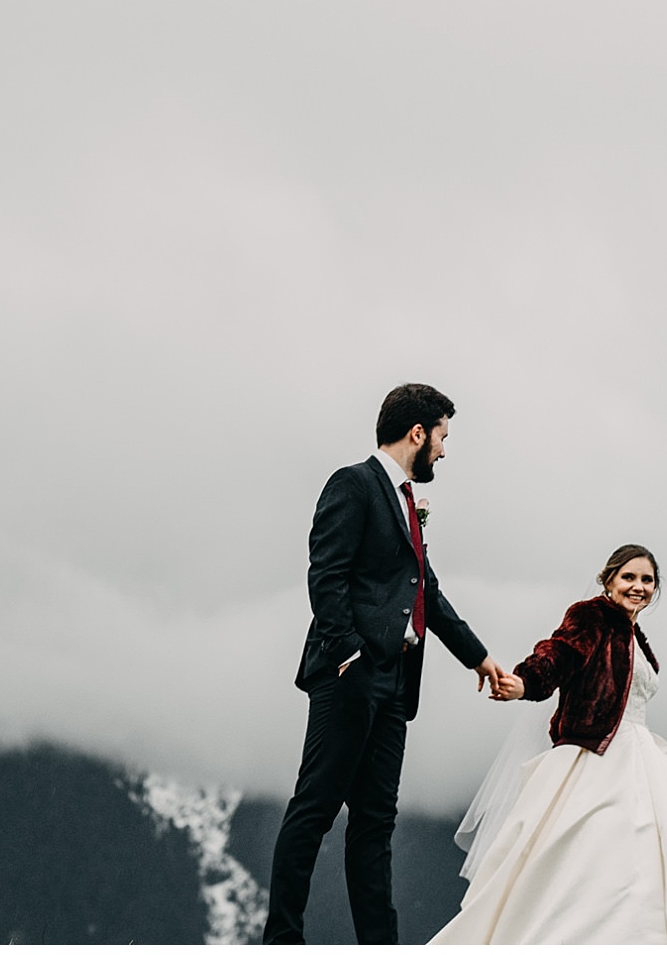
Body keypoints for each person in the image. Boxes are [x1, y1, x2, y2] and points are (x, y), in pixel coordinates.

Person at [263, 383, 515, 945]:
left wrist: (480, 658)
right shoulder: (352, 484)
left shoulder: (406, 501)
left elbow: (427, 591)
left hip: (397, 683)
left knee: (375, 825)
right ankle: (280, 940)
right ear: (418, 432)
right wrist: (349, 654)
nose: (445, 452)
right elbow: (325, 577)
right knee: (316, 808)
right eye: (443, 437)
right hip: (350, 675)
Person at [430, 544, 667, 945]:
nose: (638, 586)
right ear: (608, 581)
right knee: (591, 859)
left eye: (647, 580)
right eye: (628, 577)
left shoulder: (634, 634)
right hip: (594, 753)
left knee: (662, 861)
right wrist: (524, 683)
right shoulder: (591, 616)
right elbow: (558, 654)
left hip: (643, 760)